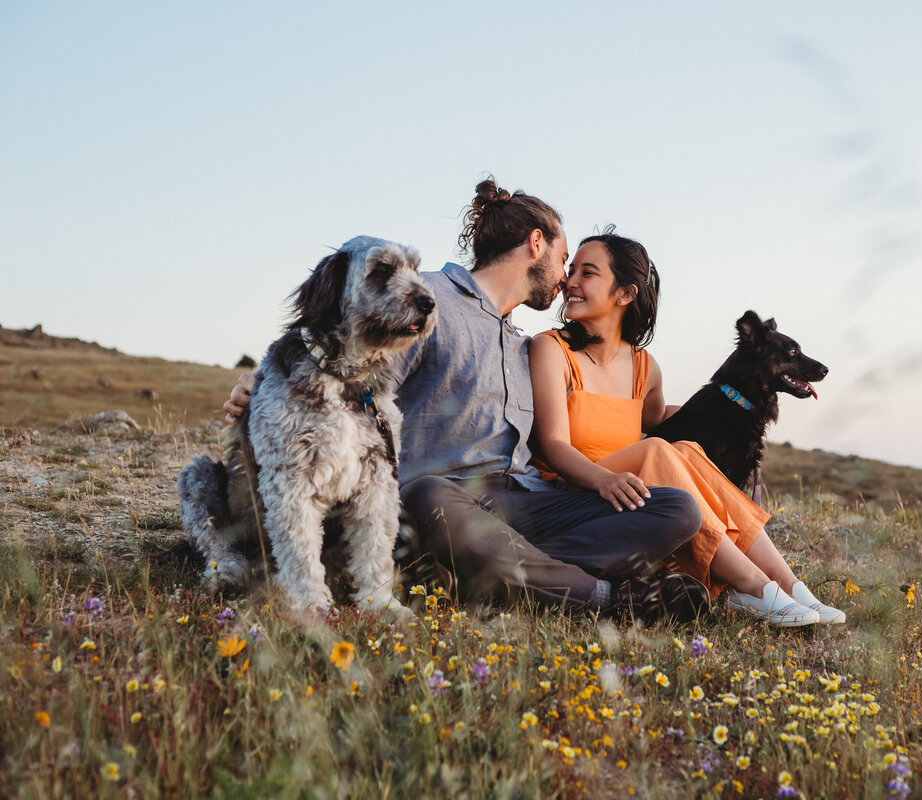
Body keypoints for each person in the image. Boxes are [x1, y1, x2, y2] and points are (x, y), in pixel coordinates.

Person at [223, 179, 708, 623]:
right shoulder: (429, 300)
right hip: (446, 502)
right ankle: (603, 598)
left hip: (525, 502)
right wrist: (260, 380)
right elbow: (343, 354)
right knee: (431, 496)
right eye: (564, 260)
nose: (564, 279)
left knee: (678, 511)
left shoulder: (524, 343)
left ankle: (496, 577)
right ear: (536, 244)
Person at [528, 228, 845, 627]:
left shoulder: (644, 367)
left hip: (629, 498)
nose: (569, 281)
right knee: (663, 451)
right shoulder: (550, 350)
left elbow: (661, 419)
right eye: (570, 269)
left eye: (586, 273)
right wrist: (604, 480)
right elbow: (553, 444)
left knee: (687, 450)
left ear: (625, 294)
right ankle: (752, 586)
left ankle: (792, 588)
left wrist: (734, 405)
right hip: (569, 496)